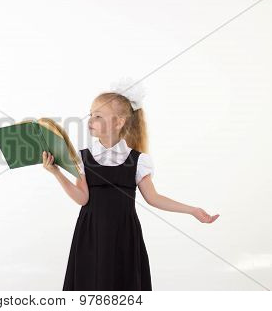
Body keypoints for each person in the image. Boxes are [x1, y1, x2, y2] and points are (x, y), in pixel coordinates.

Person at [42, 77, 220, 291]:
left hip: (123, 235)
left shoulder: (138, 161)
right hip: (91, 234)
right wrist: (56, 172)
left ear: (119, 122)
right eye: (90, 115)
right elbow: (83, 198)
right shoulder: (82, 158)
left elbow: (153, 198)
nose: (90, 120)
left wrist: (192, 210)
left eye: (98, 116)